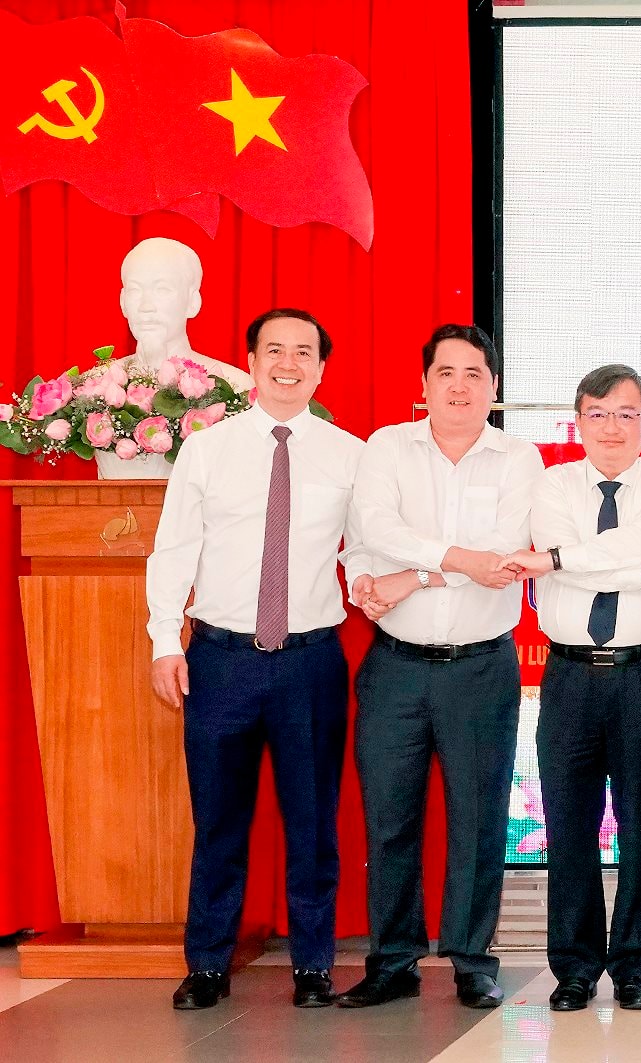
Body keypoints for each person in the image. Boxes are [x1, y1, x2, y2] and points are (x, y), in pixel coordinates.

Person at [148, 308, 363, 1010]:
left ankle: (313, 965)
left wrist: (376, 579)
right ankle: (207, 963)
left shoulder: (350, 454)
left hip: (310, 663)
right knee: (218, 821)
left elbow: (363, 547)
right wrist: (164, 640)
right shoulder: (207, 449)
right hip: (220, 660)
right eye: (274, 350)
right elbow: (175, 548)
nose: (287, 363)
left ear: (321, 368)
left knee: (313, 822)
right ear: (250, 361)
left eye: (304, 352)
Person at [333, 325, 543, 1010]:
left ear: (494, 387)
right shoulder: (387, 446)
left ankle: (473, 959)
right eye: (445, 372)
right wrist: (409, 573)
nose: (458, 386)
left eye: (474, 374)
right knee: (389, 818)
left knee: (478, 820)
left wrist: (414, 573)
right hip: (395, 666)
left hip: (480, 668)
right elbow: (373, 531)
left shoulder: (519, 458)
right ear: (423, 384)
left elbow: (503, 554)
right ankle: (393, 959)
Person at [502, 365, 641, 1012]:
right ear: (577, 421)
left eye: (627, 414)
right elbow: (622, 558)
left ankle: (635, 966)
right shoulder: (552, 484)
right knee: (569, 824)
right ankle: (575, 967)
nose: (612, 427)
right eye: (598, 413)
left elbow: (634, 543)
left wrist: (559, 562)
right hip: (570, 675)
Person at [117, 237, 253, 388]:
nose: (146, 306)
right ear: (123, 302)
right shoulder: (99, 382)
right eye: (135, 290)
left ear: (193, 302)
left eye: (162, 289)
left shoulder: (235, 384)